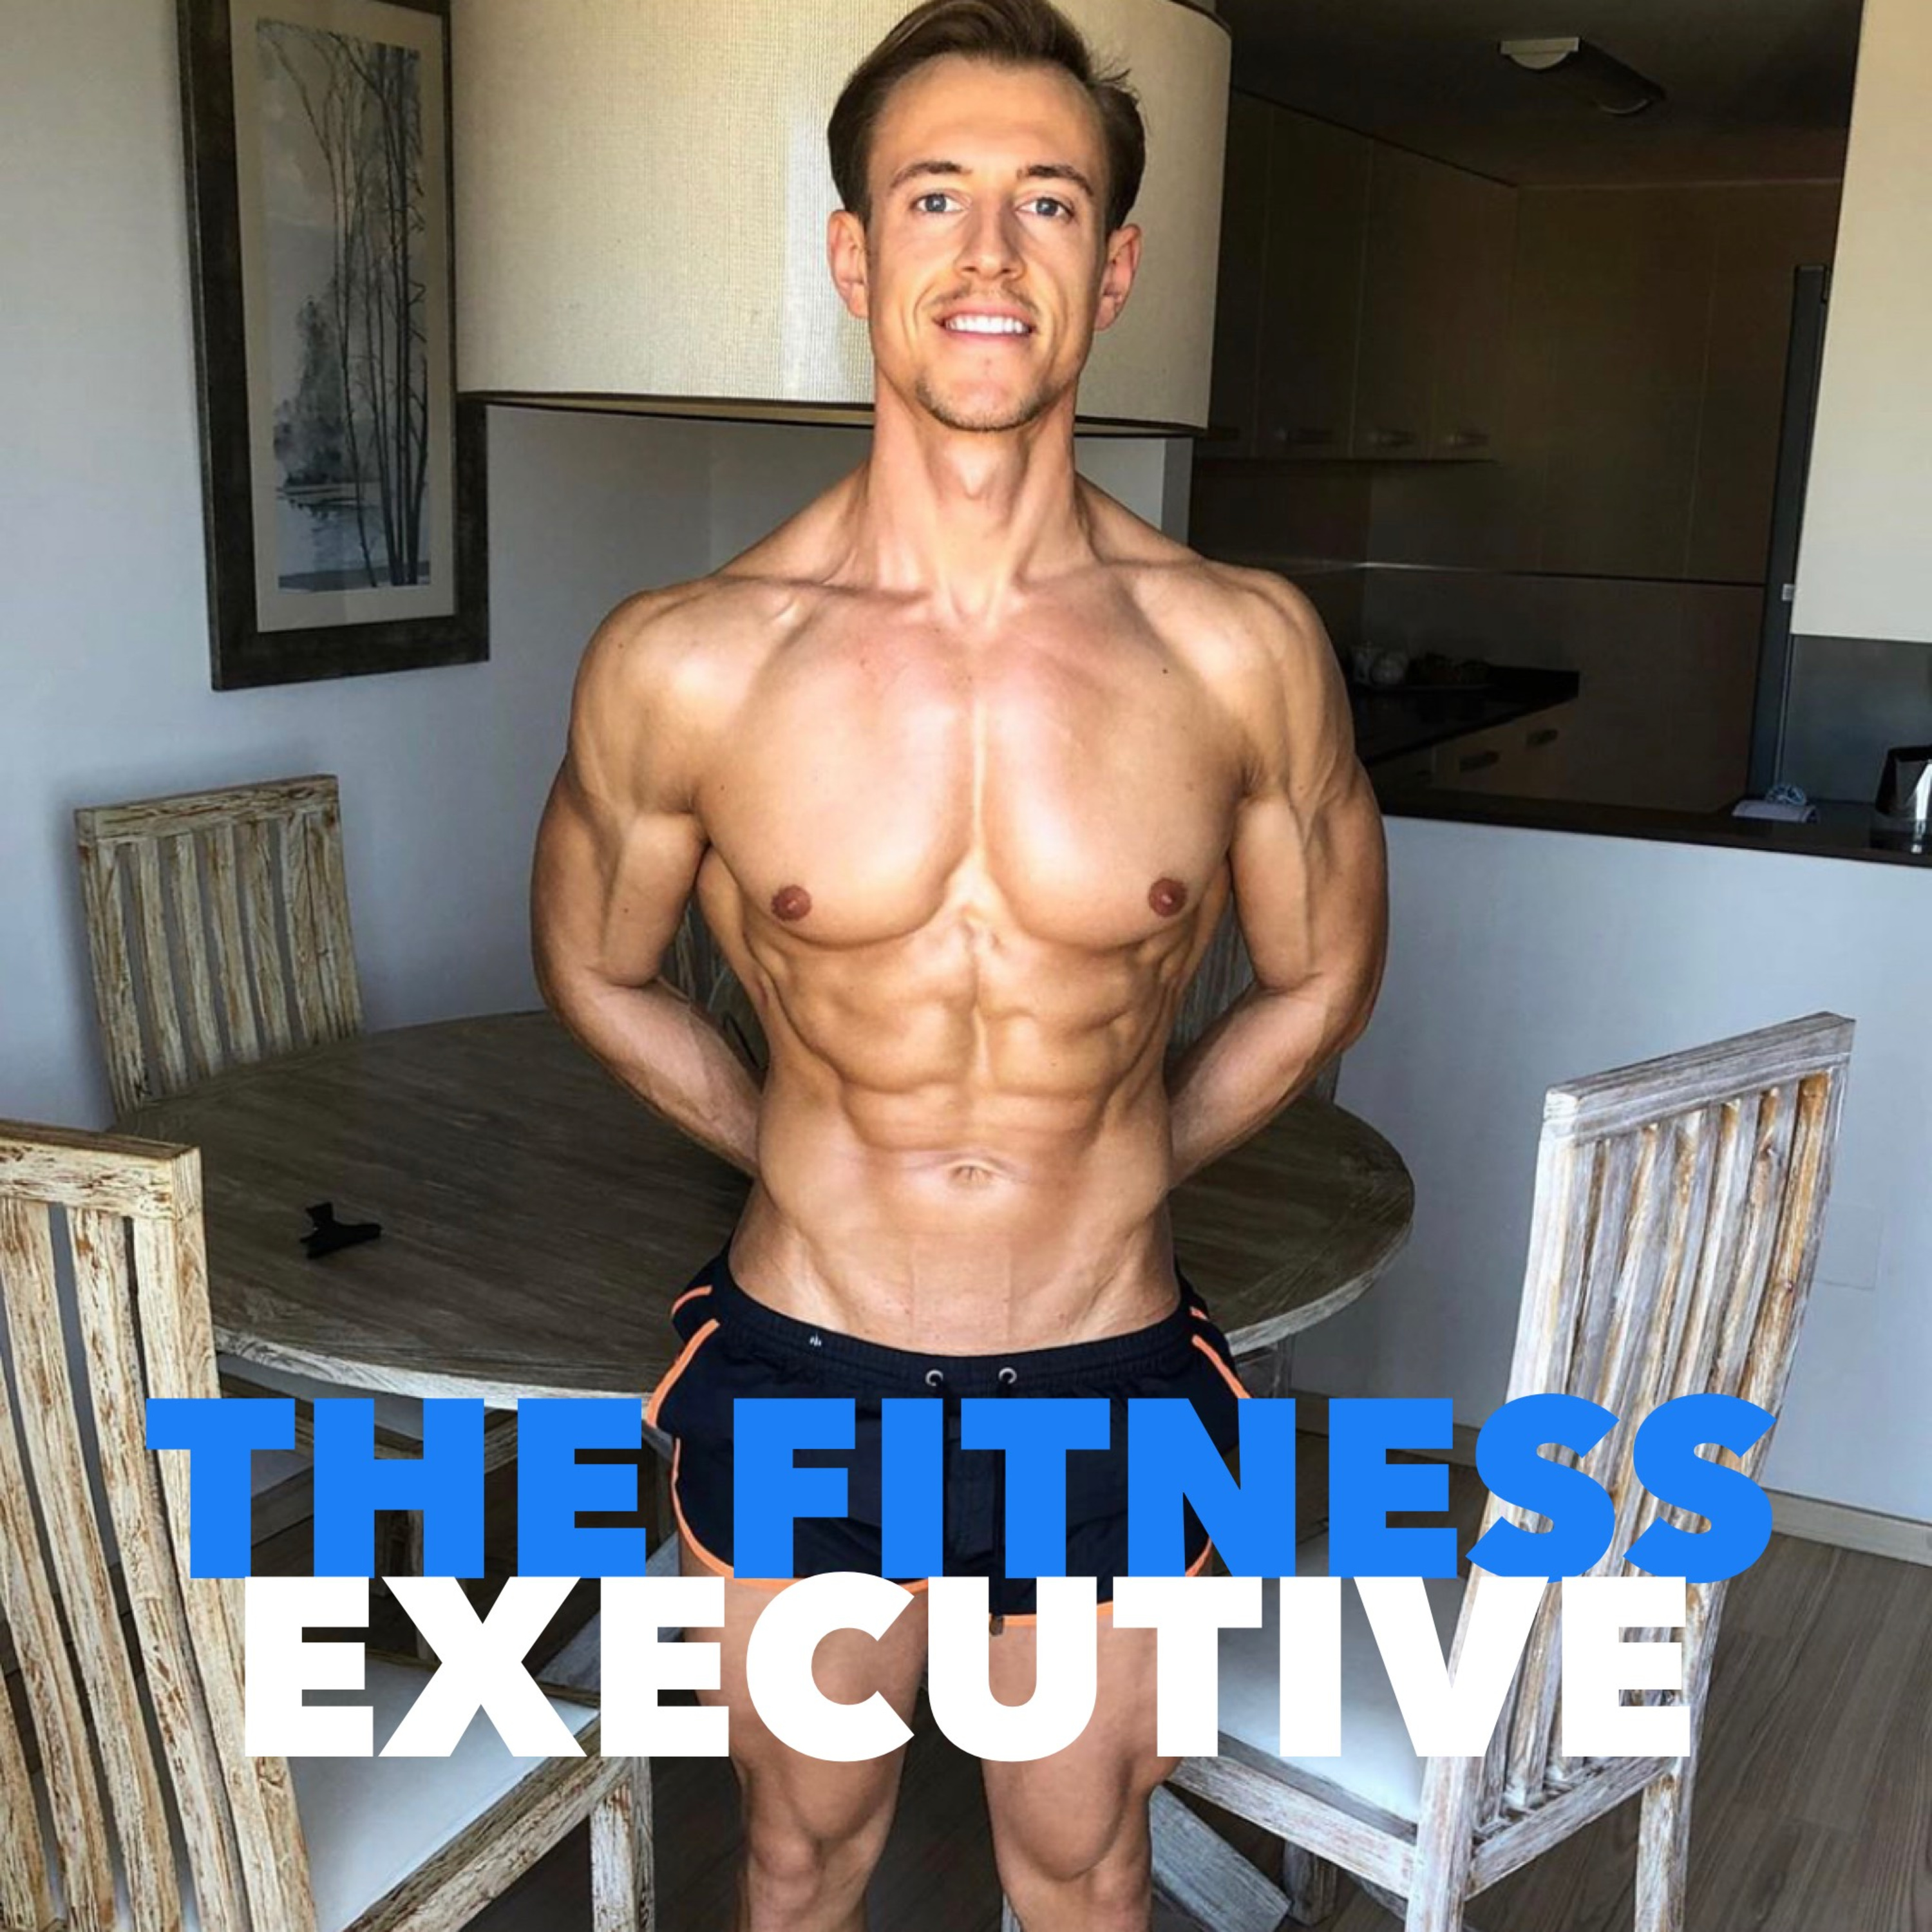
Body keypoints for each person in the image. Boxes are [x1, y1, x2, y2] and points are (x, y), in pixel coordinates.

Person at [531, 0, 1388, 1923]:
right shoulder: (690, 658)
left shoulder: (1241, 650)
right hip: (803, 1359)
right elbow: (599, 968)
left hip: (1106, 1373)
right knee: (800, 1850)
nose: (990, 253)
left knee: (1084, 1867)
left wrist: (1131, 1154)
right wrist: (789, 1141)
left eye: (1048, 201)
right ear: (854, 257)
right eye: (935, 198)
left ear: (1115, 267)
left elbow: (1321, 978)